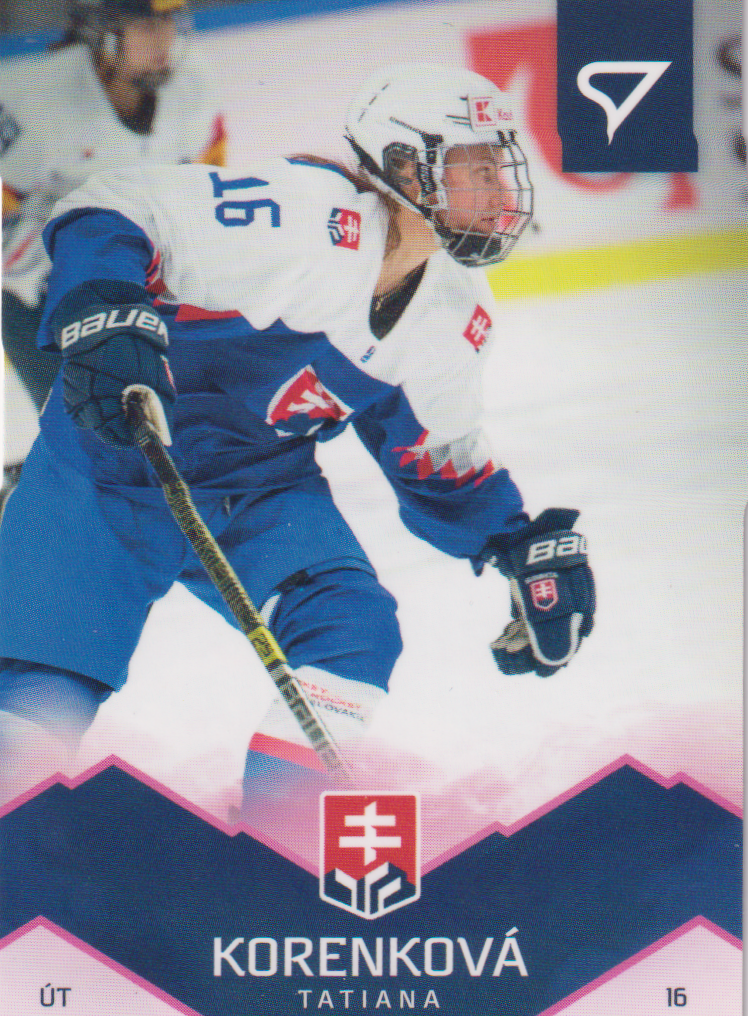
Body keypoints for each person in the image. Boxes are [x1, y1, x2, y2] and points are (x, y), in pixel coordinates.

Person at [0, 63, 595, 805]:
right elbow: (111, 206)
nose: (501, 193)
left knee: (352, 629)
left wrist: (514, 539)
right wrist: (106, 309)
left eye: (500, 167)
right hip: (108, 464)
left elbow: (432, 453)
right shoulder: (299, 215)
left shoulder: (454, 314)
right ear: (404, 167)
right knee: (41, 700)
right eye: (476, 168)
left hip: (261, 489)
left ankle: (278, 827)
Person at [1, 0, 226, 503]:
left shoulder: (194, 87)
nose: (162, 38)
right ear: (102, 30)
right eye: (144, 23)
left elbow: (209, 195)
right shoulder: (35, 100)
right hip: (40, 300)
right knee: (93, 448)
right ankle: (37, 492)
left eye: (169, 21)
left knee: (161, 440)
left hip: (147, 286)